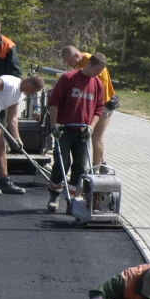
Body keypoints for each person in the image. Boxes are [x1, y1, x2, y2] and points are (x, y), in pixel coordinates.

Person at [46, 53, 107, 212]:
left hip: (83, 132)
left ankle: (72, 198)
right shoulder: (68, 78)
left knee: (80, 166)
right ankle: (54, 194)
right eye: (96, 70)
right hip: (64, 130)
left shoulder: (98, 84)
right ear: (89, 64)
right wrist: (54, 124)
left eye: (101, 71)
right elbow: (54, 101)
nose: (98, 73)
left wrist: (91, 127)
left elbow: (99, 109)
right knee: (62, 162)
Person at [62, 45, 118, 171]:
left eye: (70, 61)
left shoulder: (91, 63)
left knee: (96, 136)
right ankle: (102, 163)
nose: (70, 64)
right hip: (95, 101)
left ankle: (96, 169)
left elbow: (96, 91)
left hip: (105, 102)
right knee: (94, 135)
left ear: (77, 55)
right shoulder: (82, 63)